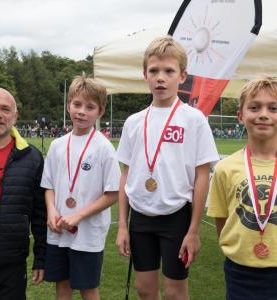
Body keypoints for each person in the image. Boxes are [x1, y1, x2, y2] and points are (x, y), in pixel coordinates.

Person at [116, 36, 219, 300]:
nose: (160, 77)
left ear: (182, 75)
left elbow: (202, 176)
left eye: (169, 71)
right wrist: (122, 227)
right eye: (154, 71)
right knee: (145, 289)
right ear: (145, 75)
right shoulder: (134, 122)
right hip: (140, 216)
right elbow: (125, 175)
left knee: (175, 293)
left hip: (177, 217)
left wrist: (194, 230)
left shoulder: (194, 120)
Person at [41, 75, 121, 300]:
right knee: (62, 285)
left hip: (88, 232)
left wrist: (78, 216)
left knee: (88, 288)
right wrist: (51, 210)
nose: (82, 111)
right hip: (57, 228)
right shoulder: (58, 145)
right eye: (77, 104)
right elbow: (48, 185)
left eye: (90, 107)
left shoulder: (104, 148)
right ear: (69, 106)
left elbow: (113, 193)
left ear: (100, 111)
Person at [207, 76, 277, 300]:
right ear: (240, 116)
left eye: (273, 108)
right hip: (240, 271)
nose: (263, 114)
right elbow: (222, 219)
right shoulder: (225, 168)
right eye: (254, 107)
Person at [0, 87, 46, 300]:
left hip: (12, 268)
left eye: (5, 109)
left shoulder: (32, 158)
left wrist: (41, 258)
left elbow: (40, 213)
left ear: (14, 116)